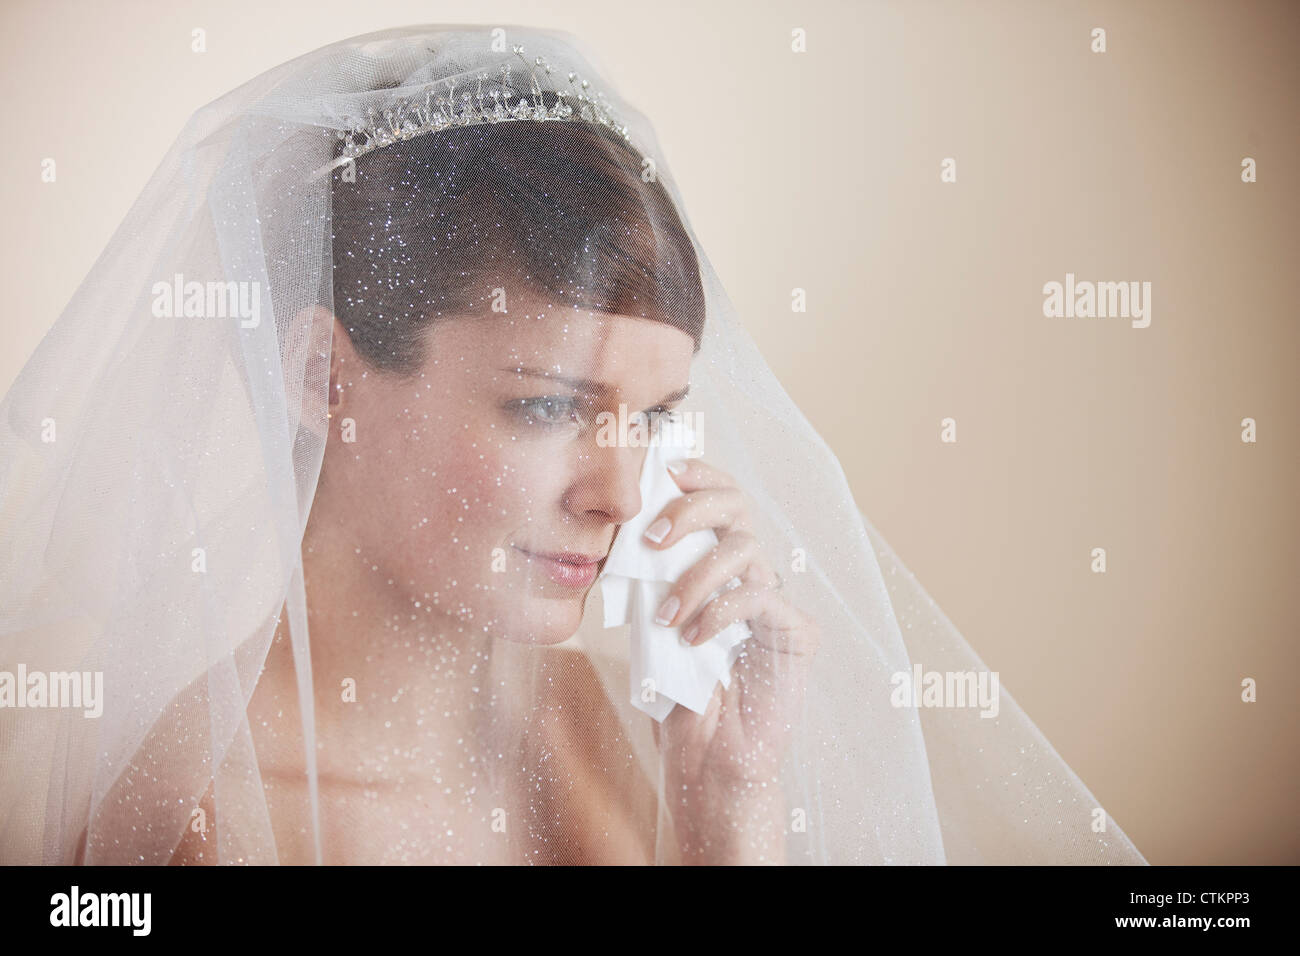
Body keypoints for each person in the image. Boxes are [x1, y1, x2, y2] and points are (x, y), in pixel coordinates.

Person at [0, 25, 1146, 865]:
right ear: (321, 377)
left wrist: (727, 814)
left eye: (650, 417)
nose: (619, 490)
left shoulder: (615, 724)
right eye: (547, 406)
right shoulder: (204, 824)